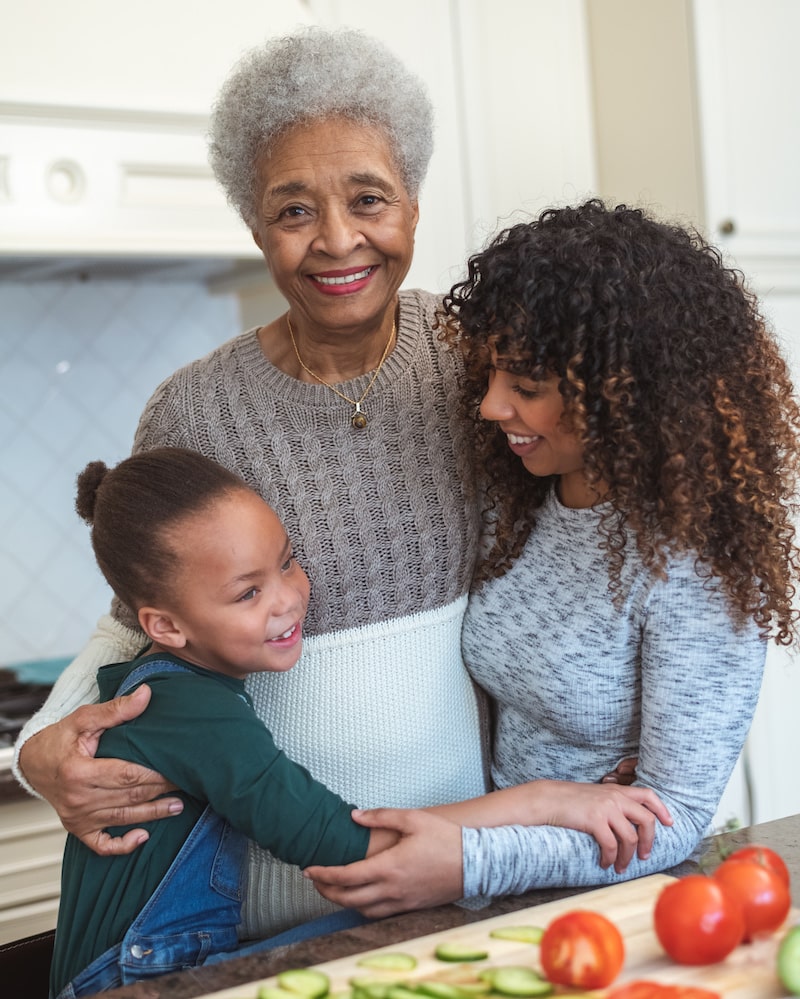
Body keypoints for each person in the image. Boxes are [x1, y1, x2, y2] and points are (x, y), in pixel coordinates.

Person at [15, 30, 660, 941]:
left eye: (369, 198)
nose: (337, 239)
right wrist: (42, 745)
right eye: (292, 211)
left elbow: (592, 535)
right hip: (263, 900)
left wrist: (632, 717)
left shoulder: (486, 364)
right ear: (254, 227)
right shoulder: (196, 411)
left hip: (471, 872)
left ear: (414, 204)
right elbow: (141, 612)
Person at [306, 200, 800, 915]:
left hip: (608, 908)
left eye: (527, 388)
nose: (491, 406)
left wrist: (473, 861)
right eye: (493, 375)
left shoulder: (692, 563)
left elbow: (676, 819)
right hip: (492, 883)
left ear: (624, 398)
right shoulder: (519, 496)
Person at [50, 447, 406, 997]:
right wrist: (530, 814)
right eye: (248, 592)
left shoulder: (165, 681)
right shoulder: (190, 709)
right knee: (403, 926)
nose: (287, 598)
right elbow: (336, 845)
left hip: (126, 971)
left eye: (286, 561)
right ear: (165, 625)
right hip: (129, 982)